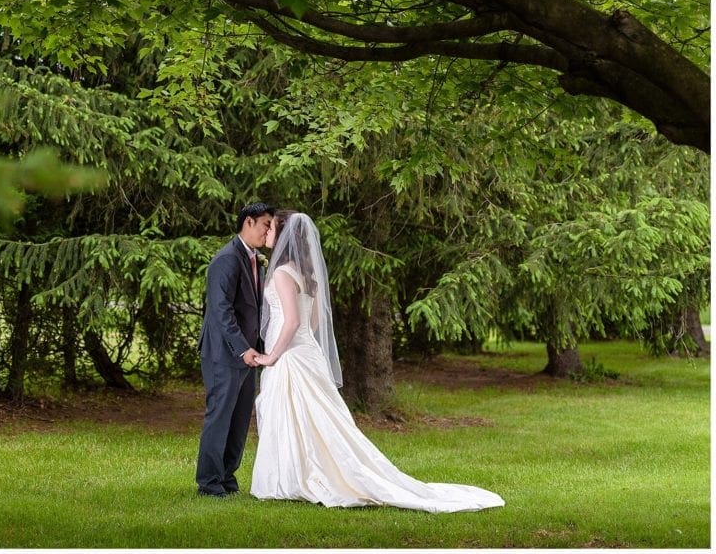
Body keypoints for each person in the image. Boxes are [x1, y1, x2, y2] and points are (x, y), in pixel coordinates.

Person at [250, 210, 505, 512]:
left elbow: (290, 321)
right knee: (318, 419)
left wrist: (272, 355)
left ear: (284, 237)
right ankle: (309, 474)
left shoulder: (280, 274)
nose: (266, 234)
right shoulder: (307, 274)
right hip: (307, 352)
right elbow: (314, 320)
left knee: (298, 416)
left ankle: (293, 478)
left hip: (291, 355)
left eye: (271, 229)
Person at [195, 202, 275, 498]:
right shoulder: (226, 259)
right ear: (249, 222)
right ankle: (209, 483)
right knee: (220, 416)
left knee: (240, 418)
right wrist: (243, 349)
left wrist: (260, 349)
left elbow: (253, 309)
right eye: (266, 224)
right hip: (224, 354)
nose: (269, 231)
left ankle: (227, 477)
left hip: (248, 354)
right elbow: (220, 311)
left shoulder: (253, 258)